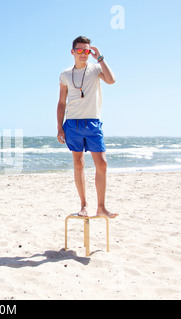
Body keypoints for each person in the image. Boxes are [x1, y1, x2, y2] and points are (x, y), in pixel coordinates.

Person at [57, 36, 118, 218]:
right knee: (78, 163)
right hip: (72, 123)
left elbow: (111, 80)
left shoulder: (96, 69)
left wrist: (100, 57)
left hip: (92, 122)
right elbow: (61, 102)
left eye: (87, 50)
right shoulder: (66, 75)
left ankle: (101, 207)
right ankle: (83, 205)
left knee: (102, 163)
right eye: (80, 50)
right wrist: (59, 127)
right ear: (73, 52)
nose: (84, 54)